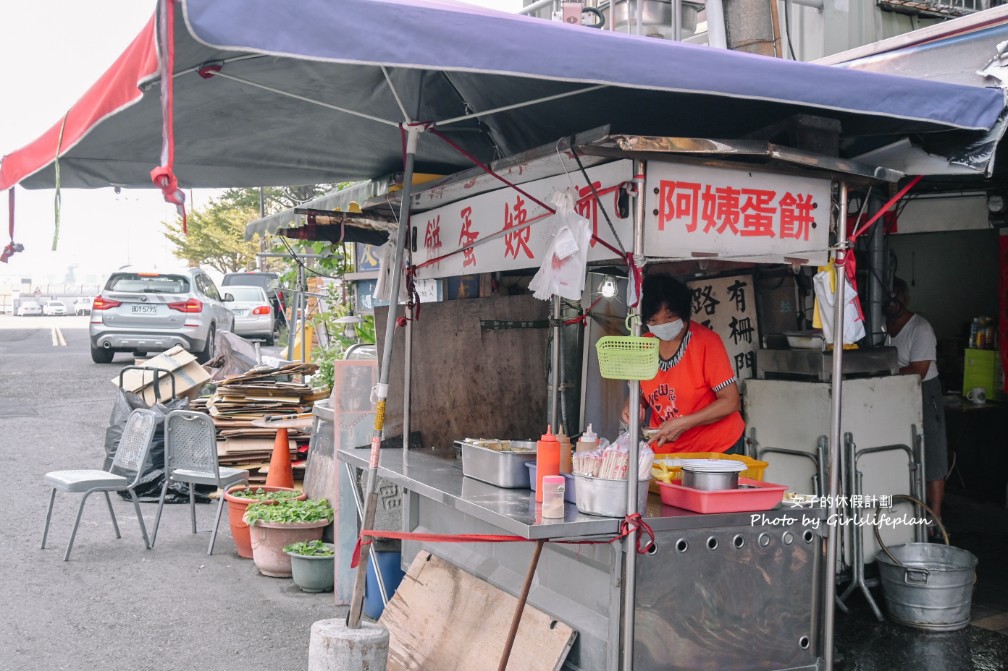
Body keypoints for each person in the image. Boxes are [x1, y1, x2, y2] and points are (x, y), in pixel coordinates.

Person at [622, 273, 745, 454]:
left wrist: (685, 423)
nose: (662, 325)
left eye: (669, 318)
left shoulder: (706, 342)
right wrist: (633, 406)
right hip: (666, 450)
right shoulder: (644, 344)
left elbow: (731, 401)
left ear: (684, 313)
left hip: (715, 448)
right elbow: (641, 392)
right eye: (653, 321)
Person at [886, 276, 948, 528]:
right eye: (888, 298)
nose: (893, 303)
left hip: (923, 393)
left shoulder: (920, 328)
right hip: (892, 396)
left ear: (906, 299)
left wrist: (882, 373)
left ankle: (935, 517)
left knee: (932, 454)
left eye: (897, 297)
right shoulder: (880, 326)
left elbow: (919, 370)